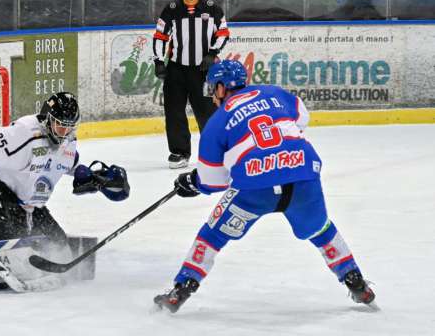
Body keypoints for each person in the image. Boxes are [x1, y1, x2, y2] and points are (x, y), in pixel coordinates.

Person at [153, 60, 376, 313]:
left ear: (221, 88)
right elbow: (302, 117)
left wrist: (192, 183)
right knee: (321, 230)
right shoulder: (273, 92)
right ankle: (356, 283)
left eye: (213, 90)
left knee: (213, 235)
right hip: (303, 175)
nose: (212, 96)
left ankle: (180, 291)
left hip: (255, 189)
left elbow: (212, 182)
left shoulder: (216, 122)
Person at [0, 91, 130, 248]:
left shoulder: (67, 142)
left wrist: (91, 177)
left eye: (70, 127)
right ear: (48, 119)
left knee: (59, 247)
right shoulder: (25, 133)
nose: (65, 132)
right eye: (61, 126)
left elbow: (70, 163)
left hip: (24, 207)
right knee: (11, 242)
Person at [153, 0, 230, 169]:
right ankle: (179, 152)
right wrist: (159, 61)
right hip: (176, 69)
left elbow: (223, 33)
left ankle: (216, 151)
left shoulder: (212, 8)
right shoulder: (171, 10)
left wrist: (212, 53)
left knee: (206, 112)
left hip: (202, 71)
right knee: (174, 111)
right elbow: (160, 36)